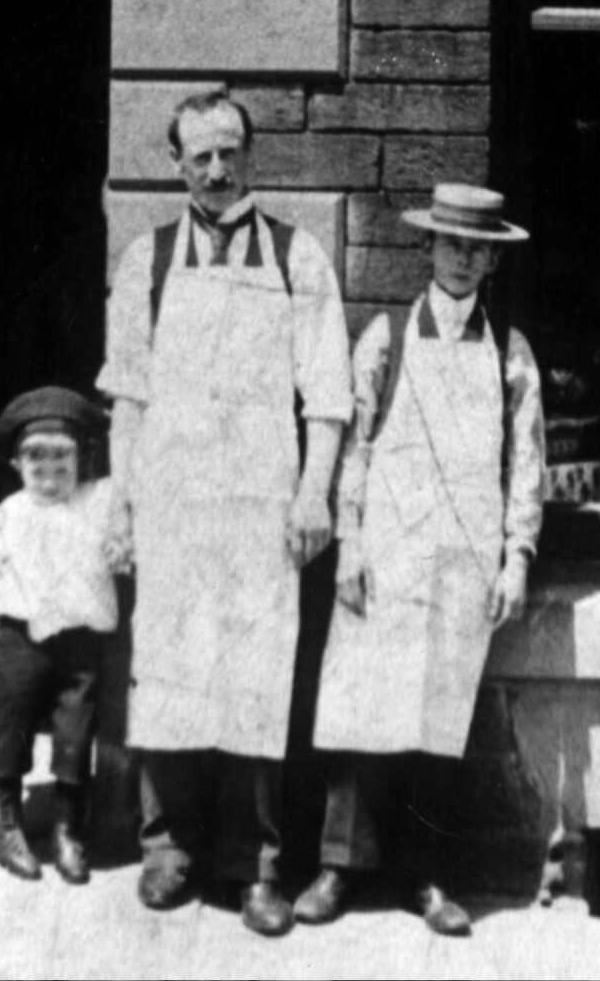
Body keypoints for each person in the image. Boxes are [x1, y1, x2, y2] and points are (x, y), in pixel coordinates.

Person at [98, 88, 352, 938]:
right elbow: (127, 397)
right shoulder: (149, 260)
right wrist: (122, 507)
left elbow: (328, 394)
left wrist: (314, 490)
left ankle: (259, 866)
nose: (216, 169)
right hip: (174, 506)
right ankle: (167, 847)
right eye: (200, 155)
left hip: (259, 512)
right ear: (175, 162)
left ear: (252, 158)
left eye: (229, 153)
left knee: (256, 677)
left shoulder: (295, 256)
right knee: (168, 670)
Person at [294, 184, 546, 939]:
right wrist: (351, 545)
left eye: (478, 248)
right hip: (388, 557)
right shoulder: (387, 338)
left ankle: (427, 876)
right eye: (451, 243)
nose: (463, 258)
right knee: (361, 712)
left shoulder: (510, 354)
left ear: (493, 259)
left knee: (440, 723)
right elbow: (357, 448)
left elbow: (525, 465)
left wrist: (517, 559)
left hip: (463, 561)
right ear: (428, 247)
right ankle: (339, 867)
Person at [0, 384, 117, 886]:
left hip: (79, 640)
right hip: (20, 640)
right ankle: (10, 826)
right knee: (14, 720)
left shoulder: (100, 503)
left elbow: (128, 505)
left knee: (76, 731)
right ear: (18, 468)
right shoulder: (7, 516)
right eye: (37, 467)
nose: (49, 478)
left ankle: (68, 829)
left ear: (83, 461)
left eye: (62, 465)